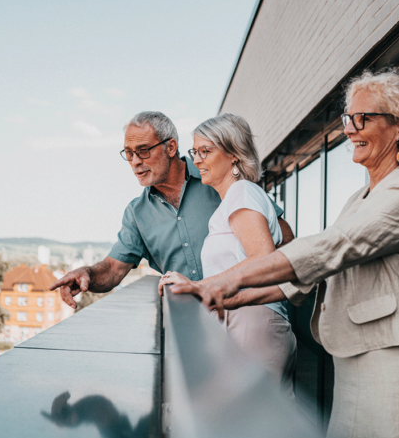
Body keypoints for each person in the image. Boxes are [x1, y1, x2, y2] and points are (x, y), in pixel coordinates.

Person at [170, 68, 399, 438]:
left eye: (363, 118)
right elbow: (302, 280)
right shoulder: (364, 196)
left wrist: (220, 282)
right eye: (349, 118)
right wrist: (224, 296)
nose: (350, 129)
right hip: (355, 364)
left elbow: (329, 247)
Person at [51, 111, 292, 307]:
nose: (135, 162)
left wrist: (272, 295)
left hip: (248, 312)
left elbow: (282, 240)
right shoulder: (137, 213)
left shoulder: (221, 181)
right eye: (129, 153)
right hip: (192, 324)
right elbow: (113, 269)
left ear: (171, 147)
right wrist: (87, 273)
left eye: (143, 150)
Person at [159, 114, 296, 385]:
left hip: (253, 323)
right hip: (243, 322)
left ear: (234, 154)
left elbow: (264, 261)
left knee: (253, 422)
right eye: (194, 151)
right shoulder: (234, 199)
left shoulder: (242, 192)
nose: (196, 160)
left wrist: (197, 287)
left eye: (205, 151)